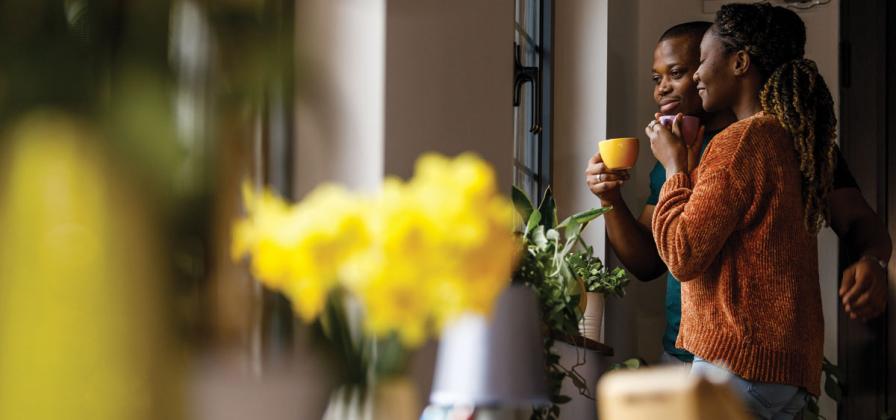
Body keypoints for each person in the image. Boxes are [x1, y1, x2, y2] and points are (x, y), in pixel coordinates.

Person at [584, 20, 891, 369]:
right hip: (684, 354)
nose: (662, 90)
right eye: (657, 79)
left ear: (728, 62)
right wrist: (610, 198)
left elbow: (858, 220)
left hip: (749, 363)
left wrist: (873, 261)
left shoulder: (798, 144)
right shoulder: (675, 155)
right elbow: (649, 262)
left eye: (680, 71)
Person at [644, 3, 887, 418]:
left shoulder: (738, 142)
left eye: (702, 61)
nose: (698, 74)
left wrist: (674, 168)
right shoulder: (791, 141)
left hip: (734, 366)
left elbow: (682, 254)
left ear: (739, 62)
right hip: (786, 375)